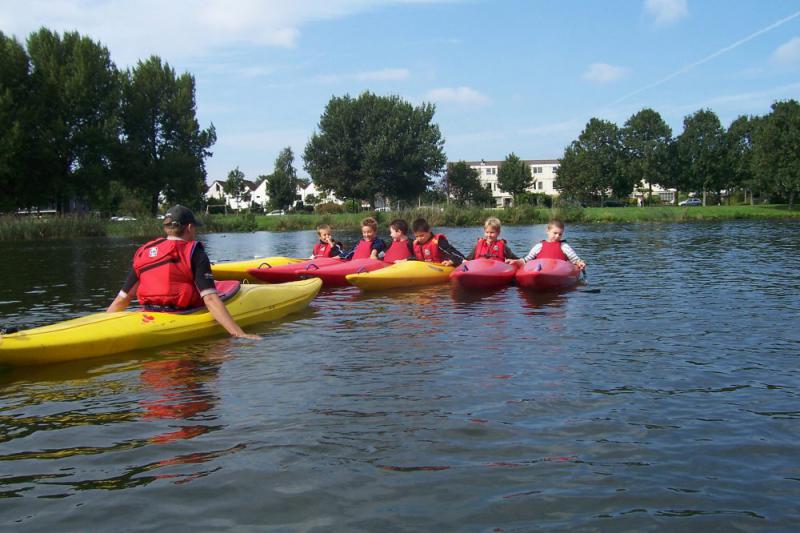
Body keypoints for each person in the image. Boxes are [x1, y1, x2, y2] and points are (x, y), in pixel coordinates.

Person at [107, 205, 259, 339]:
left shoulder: (145, 251)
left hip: (148, 313)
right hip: (182, 314)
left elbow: (122, 299)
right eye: (195, 229)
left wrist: (103, 323)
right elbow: (211, 300)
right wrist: (239, 333)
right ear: (189, 228)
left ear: (167, 228)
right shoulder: (195, 252)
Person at [507, 218, 586, 269]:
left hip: (558, 271)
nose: (557, 236)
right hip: (541, 269)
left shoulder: (564, 246)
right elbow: (527, 259)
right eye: (555, 233)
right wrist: (517, 262)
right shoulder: (539, 246)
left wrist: (579, 263)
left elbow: (575, 259)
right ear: (547, 231)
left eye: (560, 234)